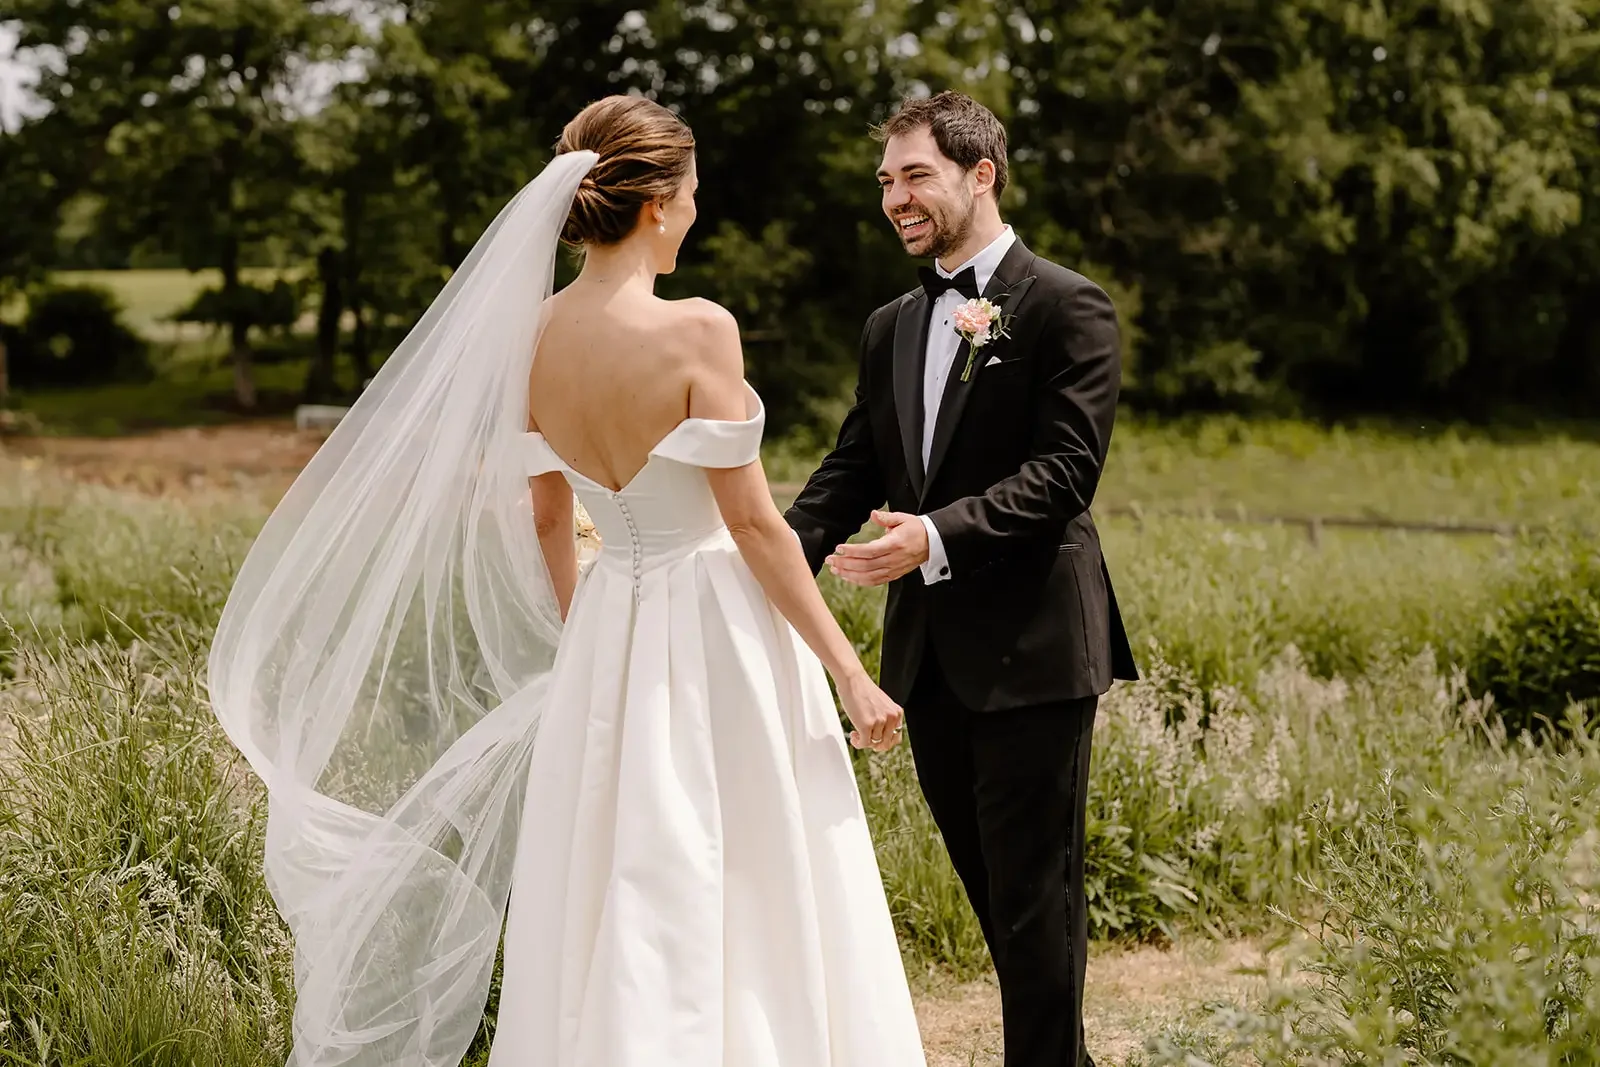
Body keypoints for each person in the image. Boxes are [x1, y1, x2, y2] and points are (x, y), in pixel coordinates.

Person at [208, 95, 925, 1067]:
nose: (695, 214)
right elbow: (754, 523)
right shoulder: (700, 329)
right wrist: (848, 668)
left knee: (620, 866)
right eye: (693, 195)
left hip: (607, 623)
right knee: (747, 857)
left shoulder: (532, 334)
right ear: (657, 203)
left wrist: (593, 635)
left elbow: (548, 515)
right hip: (715, 622)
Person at [785, 90, 1140, 1067]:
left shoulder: (1068, 305)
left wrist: (932, 537)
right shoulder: (890, 325)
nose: (895, 198)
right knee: (997, 899)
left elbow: (1066, 473)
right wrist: (766, 549)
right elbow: (853, 468)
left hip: (1033, 651)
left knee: (1035, 902)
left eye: (915, 176)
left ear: (980, 174)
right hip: (929, 658)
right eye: (886, 181)